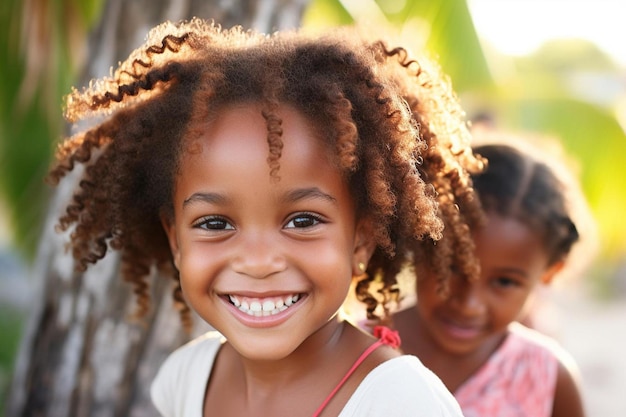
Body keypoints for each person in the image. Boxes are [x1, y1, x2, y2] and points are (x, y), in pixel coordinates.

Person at [48, 18, 484, 416]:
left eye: (302, 221)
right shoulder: (185, 381)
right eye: (215, 224)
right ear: (176, 240)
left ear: (361, 240)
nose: (257, 261)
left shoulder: (401, 403)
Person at [393, 139, 595, 417]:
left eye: (504, 282)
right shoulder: (353, 351)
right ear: (419, 240)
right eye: (452, 267)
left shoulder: (548, 378)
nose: (469, 303)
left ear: (550, 272)